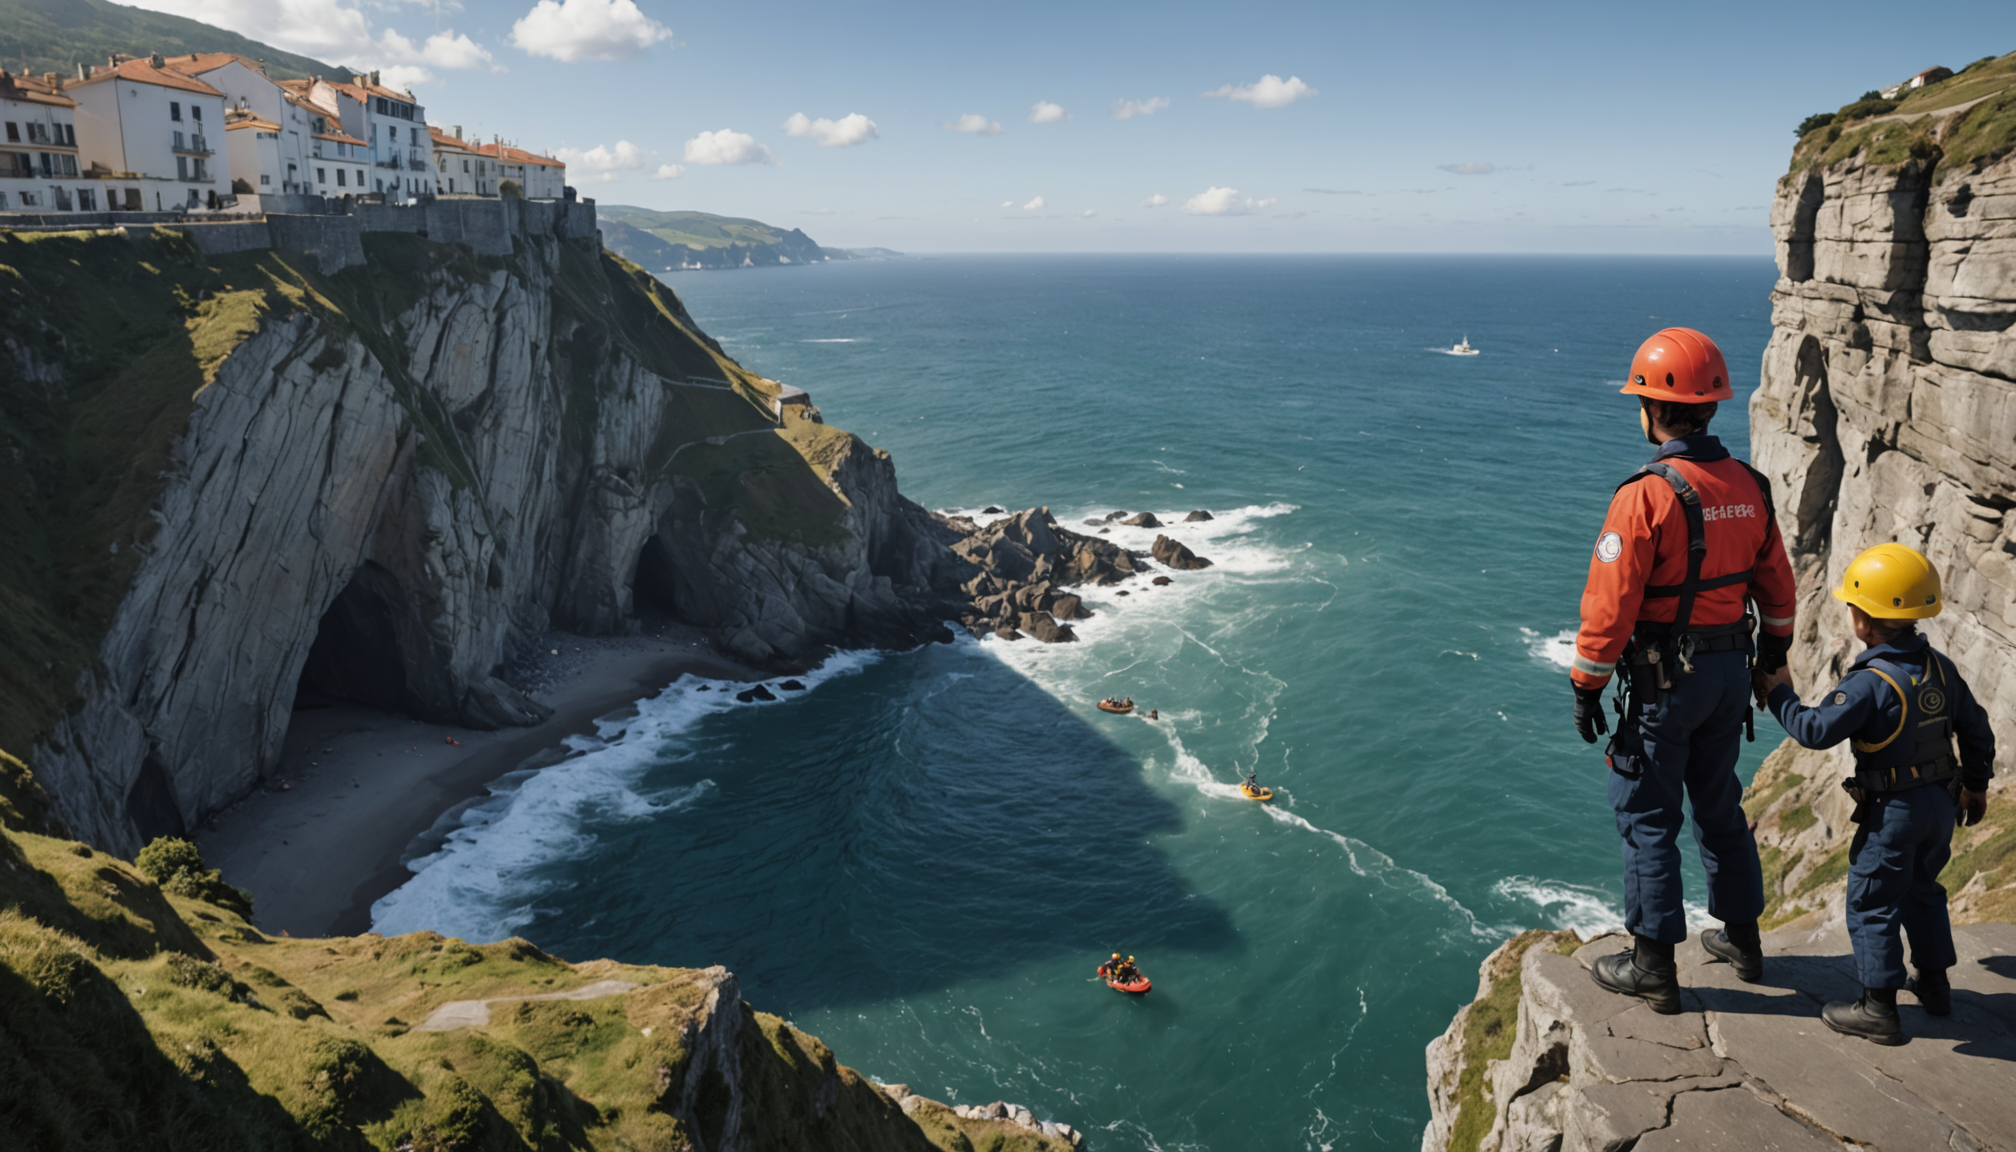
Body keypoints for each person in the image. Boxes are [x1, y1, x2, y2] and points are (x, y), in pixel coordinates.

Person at [1570, 328, 1799, 1014]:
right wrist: (1774, 661)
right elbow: (1778, 592)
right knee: (1720, 802)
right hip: (1730, 673)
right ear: (1712, 407)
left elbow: (1609, 610)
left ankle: (1653, 968)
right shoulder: (1749, 485)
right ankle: (1743, 940)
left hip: (1665, 681)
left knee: (1646, 814)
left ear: (1652, 409)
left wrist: (1586, 686)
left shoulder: (1646, 496)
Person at [1757, 544, 1995, 1044]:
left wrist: (1778, 691)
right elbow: (1977, 729)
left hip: (1894, 813)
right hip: (1940, 805)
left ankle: (1878, 1009)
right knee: (1922, 890)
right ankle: (1934, 987)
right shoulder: (1941, 668)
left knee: (1872, 901)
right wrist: (1976, 785)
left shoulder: (1869, 683)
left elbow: (1816, 730)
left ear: (1864, 621)